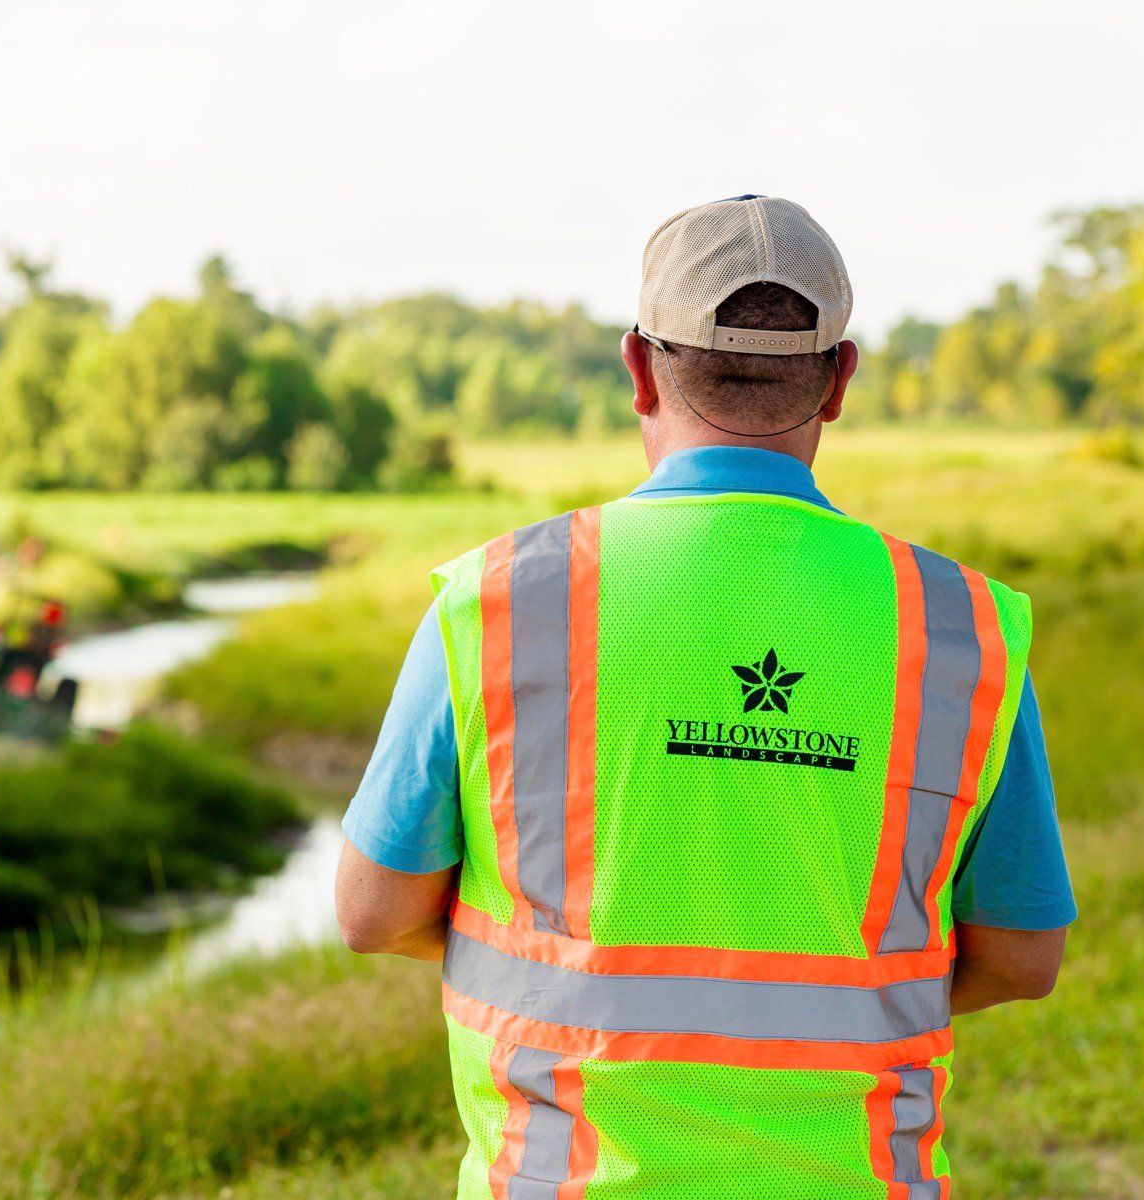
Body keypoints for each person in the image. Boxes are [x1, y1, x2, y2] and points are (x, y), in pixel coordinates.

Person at [334, 196, 1076, 1198]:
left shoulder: (494, 602)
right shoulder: (964, 626)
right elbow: (1022, 957)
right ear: (839, 380)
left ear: (639, 367)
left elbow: (374, 914)